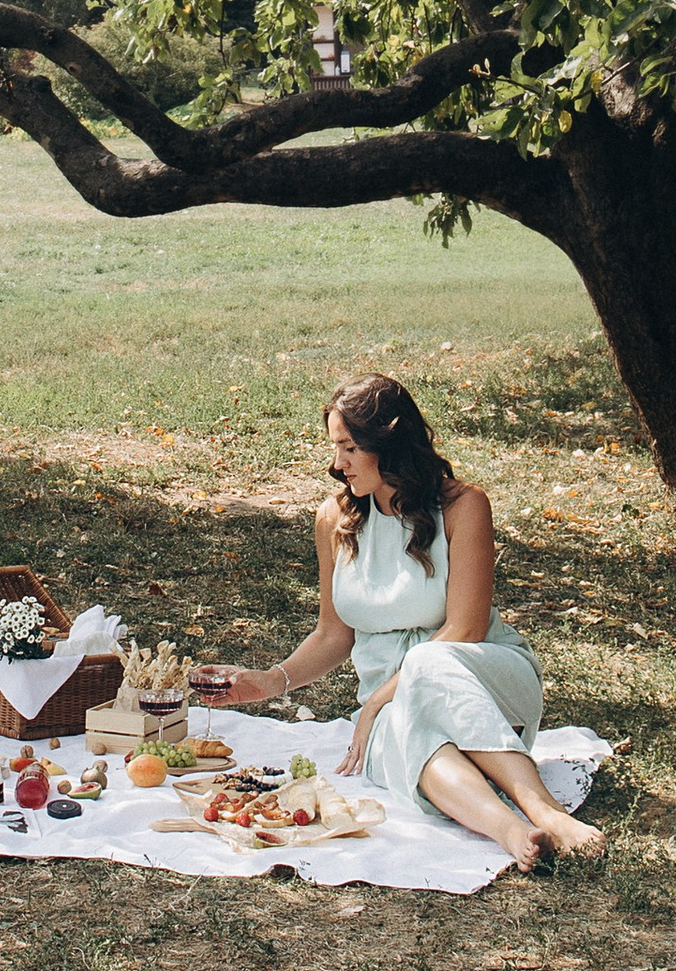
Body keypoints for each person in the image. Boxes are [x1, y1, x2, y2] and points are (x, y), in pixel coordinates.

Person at [191, 371, 601, 867]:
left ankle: (546, 810)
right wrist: (268, 682)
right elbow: (332, 633)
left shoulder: (462, 506)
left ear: (388, 441)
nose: (337, 465)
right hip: (398, 701)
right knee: (408, 746)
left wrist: (372, 704)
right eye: (335, 448)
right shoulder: (334, 521)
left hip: (486, 676)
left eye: (348, 448)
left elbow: (465, 630)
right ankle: (512, 831)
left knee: (427, 665)